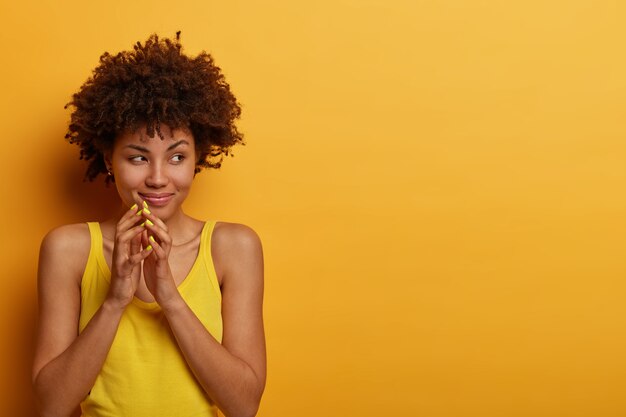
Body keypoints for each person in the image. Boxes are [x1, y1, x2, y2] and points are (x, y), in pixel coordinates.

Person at [32, 32, 266, 417]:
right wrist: (115, 300)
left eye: (176, 158)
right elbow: (52, 405)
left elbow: (243, 406)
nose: (158, 178)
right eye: (138, 158)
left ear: (198, 159)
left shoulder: (234, 248)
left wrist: (170, 297)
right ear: (109, 160)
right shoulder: (69, 249)